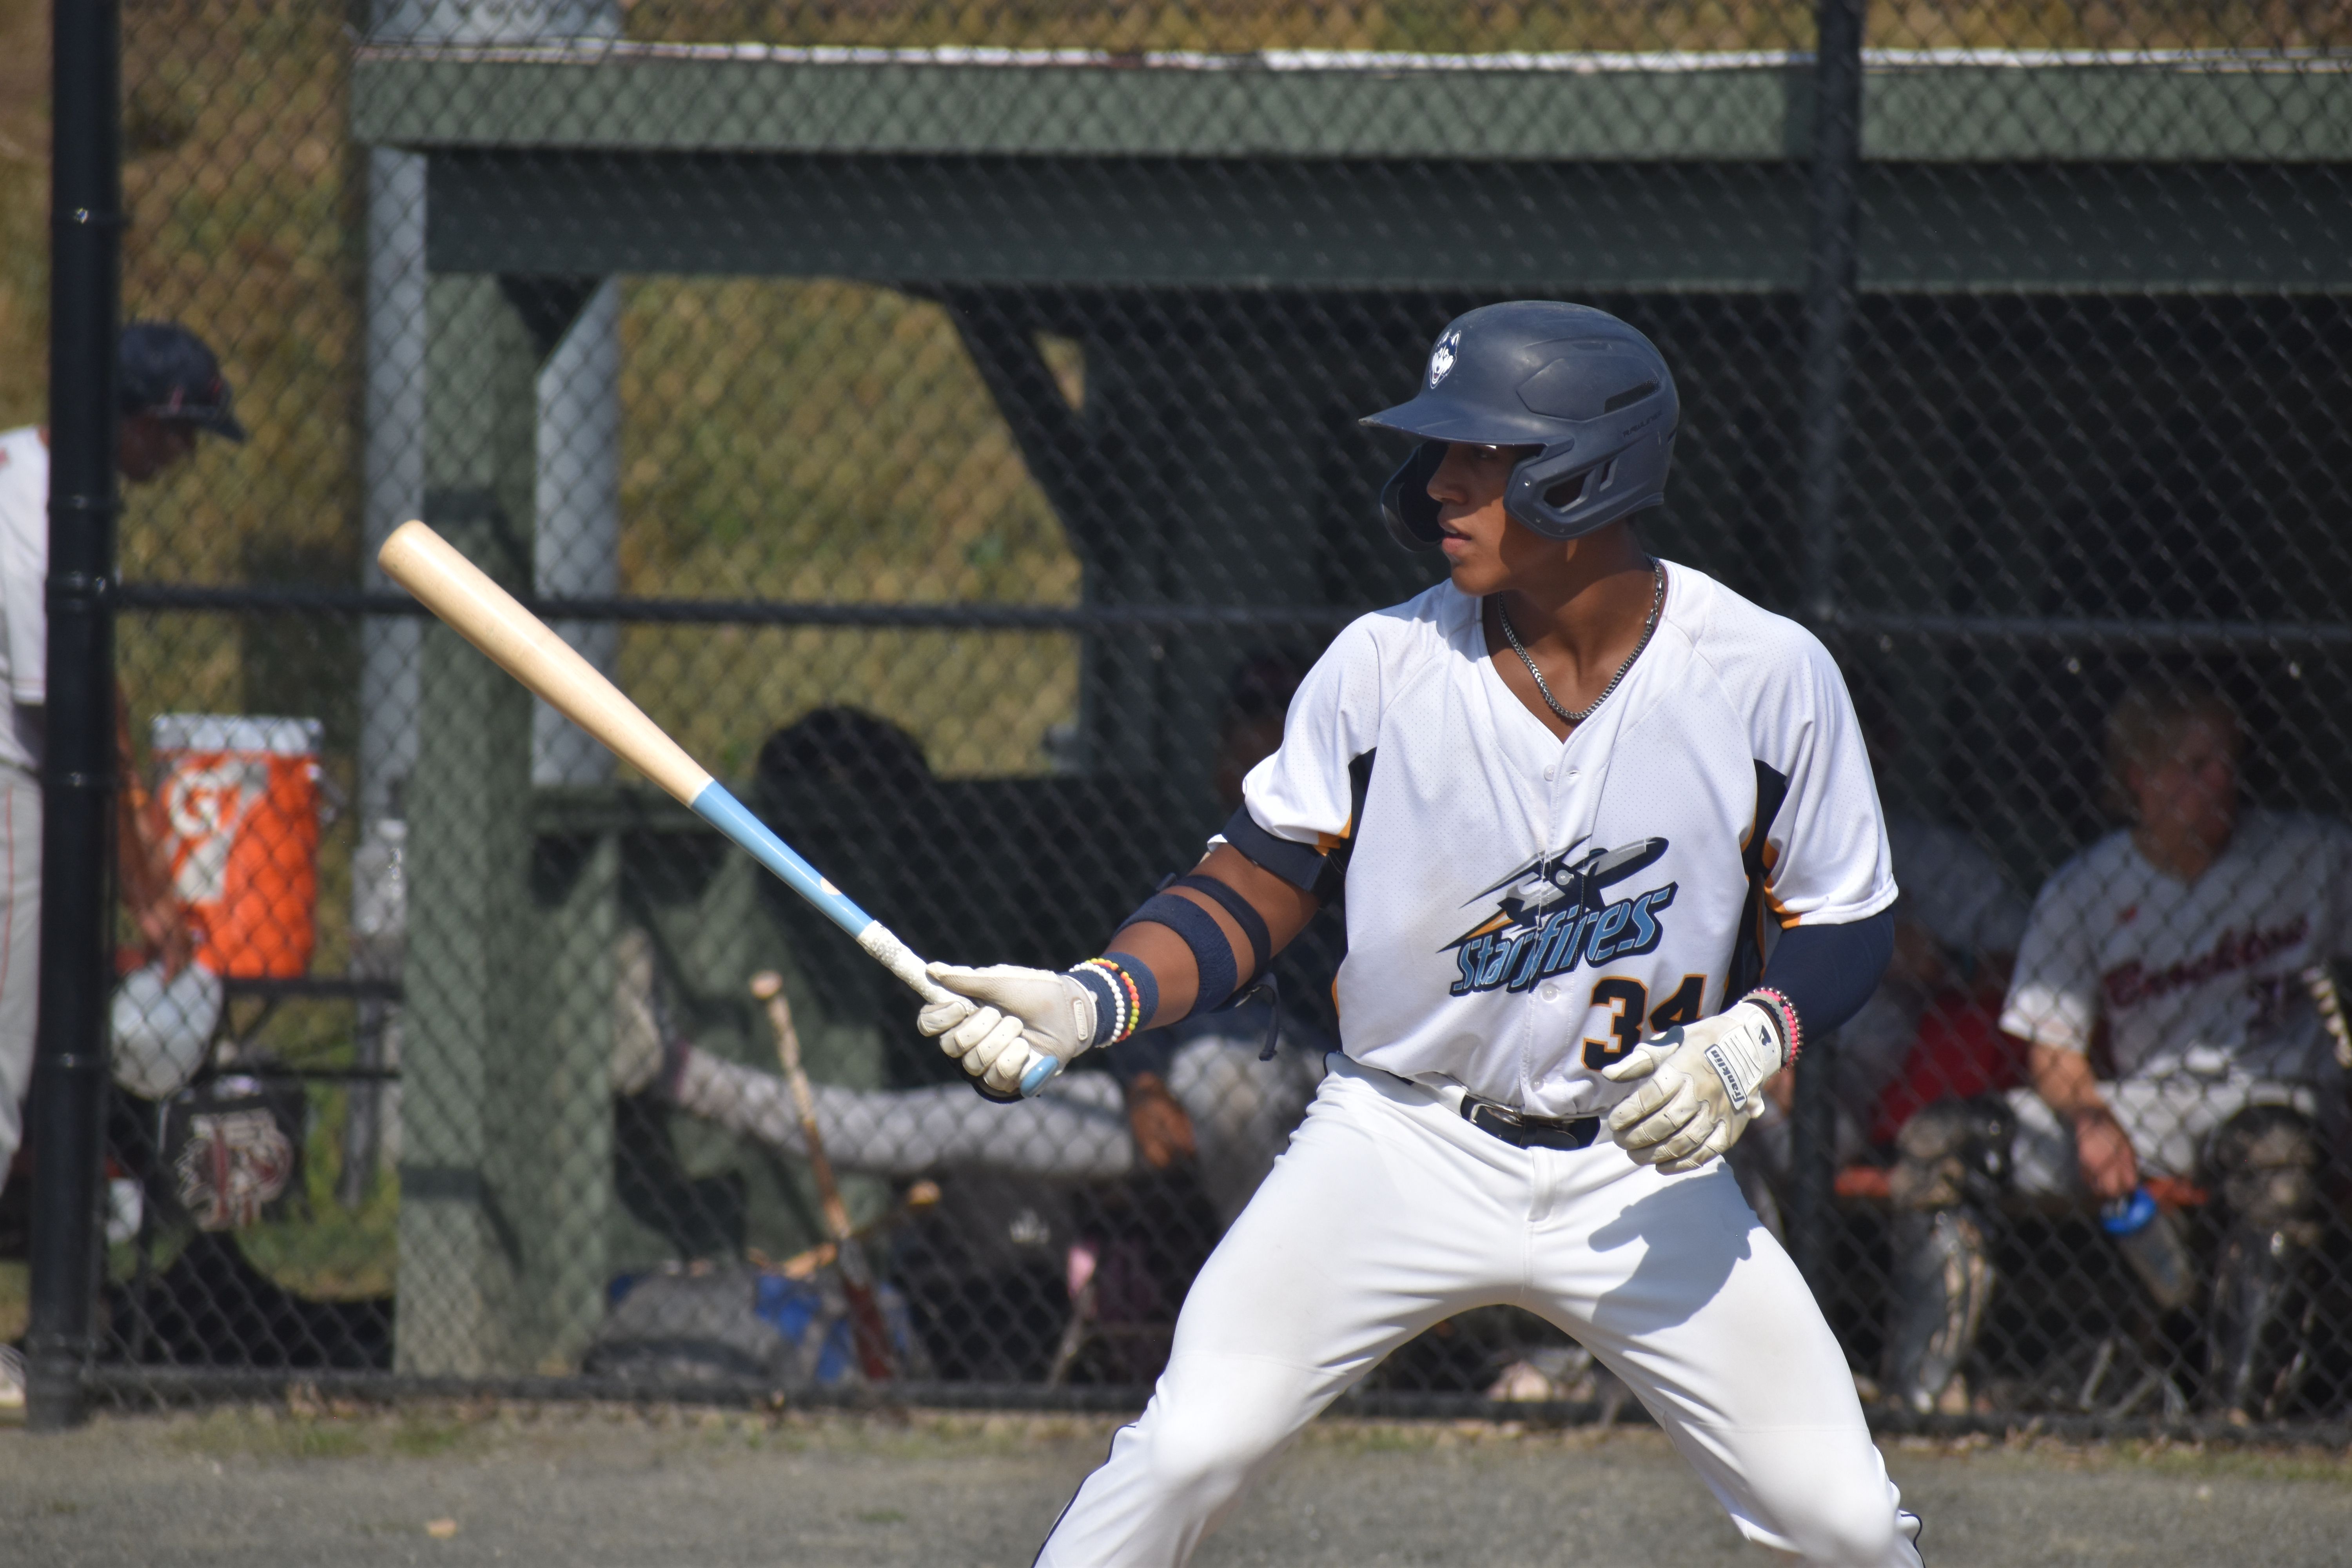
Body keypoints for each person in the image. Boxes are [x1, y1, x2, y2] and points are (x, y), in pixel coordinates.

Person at [910, 302, 1920, 1565]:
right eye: (1441, 450)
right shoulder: (1383, 665)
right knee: (1184, 1451)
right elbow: (1254, 885)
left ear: (1588, 471)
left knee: (1847, 1524)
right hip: (1401, 1142)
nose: (1441, 480)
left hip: (1641, 1166)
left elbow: (1845, 920)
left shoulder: (1765, 675)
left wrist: (1752, 1041)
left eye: (1482, 454)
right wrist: (1099, 995)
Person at [616, 665, 1333, 1231]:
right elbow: (1133, 985)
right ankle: (679, 1073)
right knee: (929, 1125)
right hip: (1150, 1092)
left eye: (1275, 751)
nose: (1256, 771)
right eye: (1243, 748)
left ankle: (1289, 1323)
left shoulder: (1331, 859)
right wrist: (1143, 1082)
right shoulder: (1176, 847)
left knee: (1228, 1079)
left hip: (1292, 1092)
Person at [1888, 677, 2350, 1419]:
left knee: (2276, 1159)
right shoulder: (2087, 887)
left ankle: (2235, 1421)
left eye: (2228, 762)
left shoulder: (2312, 860)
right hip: (2143, 1107)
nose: (2220, 782)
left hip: (2276, 1096)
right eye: (2194, 766)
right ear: (2140, 778)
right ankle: (1924, 1401)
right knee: (1945, 1141)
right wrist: (2092, 1121)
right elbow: (2053, 1050)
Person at [0, 322, 240, 1203]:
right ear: (136, 423)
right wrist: (145, 889)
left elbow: (104, 699)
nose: (182, 457)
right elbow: (76, 718)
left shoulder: (25, 471)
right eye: (180, 435)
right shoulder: (43, 523)